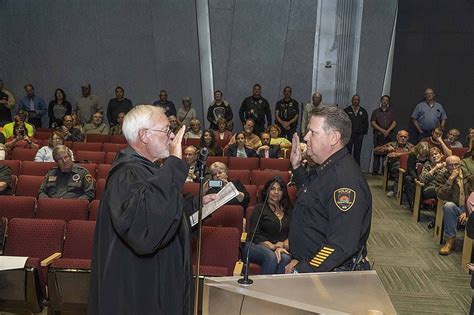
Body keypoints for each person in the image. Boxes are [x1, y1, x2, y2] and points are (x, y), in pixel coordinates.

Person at [88, 105, 215, 314]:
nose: (172, 136)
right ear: (144, 135)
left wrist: (197, 206)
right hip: (139, 292)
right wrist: (174, 162)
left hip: (155, 282)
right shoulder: (127, 174)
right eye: (166, 130)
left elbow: (162, 214)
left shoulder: (147, 170)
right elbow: (145, 231)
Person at [285, 106, 371, 273]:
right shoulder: (326, 168)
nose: (306, 137)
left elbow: (341, 244)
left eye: (312, 132)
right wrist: (296, 167)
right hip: (312, 266)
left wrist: (304, 268)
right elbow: (312, 196)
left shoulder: (345, 182)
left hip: (326, 274)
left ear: (333, 138)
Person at [245, 177, 292, 274]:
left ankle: (276, 289)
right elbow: (255, 234)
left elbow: (293, 233)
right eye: (272, 189)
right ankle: (263, 288)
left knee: (285, 258)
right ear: (267, 191)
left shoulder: (289, 210)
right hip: (256, 245)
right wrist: (273, 247)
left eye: (280, 189)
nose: (276, 192)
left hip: (281, 246)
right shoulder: (260, 208)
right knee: (271, 257)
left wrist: (282, 245)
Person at [436, 155, 474, 255]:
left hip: (469, 208)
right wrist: (450, 179)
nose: (453, 168)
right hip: (455, 207)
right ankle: (450, 241)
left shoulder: (469, 176)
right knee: (448, 206)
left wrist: (468, 212)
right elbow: (440, 195)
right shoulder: (442, 176)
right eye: (450, 165)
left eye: (456, 165)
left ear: (460, 164)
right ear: (446, 166)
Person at [373, 130, 414, 197]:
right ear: (397, 137)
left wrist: (398, 154)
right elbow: (375, 150)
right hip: (393, 167)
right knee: (399, 169)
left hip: (408, 168)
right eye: (401, 136)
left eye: (405, 137)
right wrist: (386, 149)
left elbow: (415, 152)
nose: (403, 138)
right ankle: (396, 192)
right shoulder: (392, 144)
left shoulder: (410, 146)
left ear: (408, 138)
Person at [370, 95, 397, 175]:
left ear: (388, 102)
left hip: (388, 134)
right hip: (378, 134)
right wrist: (382, 130)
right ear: (381, 101)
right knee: (377, 151)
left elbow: (394, 122)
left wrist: (387, 131)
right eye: (383, 100)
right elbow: (373, 123)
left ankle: (384, 171)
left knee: (387, 152)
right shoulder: (375, 111)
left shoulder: (391, 112)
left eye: (386, 100)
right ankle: (375, 170)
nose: (385, 101)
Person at [402, 141, 431, 208]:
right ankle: (412, 203)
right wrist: (415, 178)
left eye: (425, 153)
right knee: (408, 180)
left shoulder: (429, 157)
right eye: (422, 153)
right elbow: (410, 168)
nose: (423, 155)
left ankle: (421, 203)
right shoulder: (413, 155)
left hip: (423, 175)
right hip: (412, 174)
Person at [344, 95, 368, 166]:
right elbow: (343, 122)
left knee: (357, 152)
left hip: (359, 135)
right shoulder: (347, 110)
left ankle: (356, 168)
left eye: (357, 99)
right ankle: (347, 167)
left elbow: (366, 123)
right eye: (354, 99)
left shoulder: (363, 111)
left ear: (359, 101)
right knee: (348, 152)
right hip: (349, 135)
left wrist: (363, 132)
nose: (355, 101)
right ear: (352, 100)